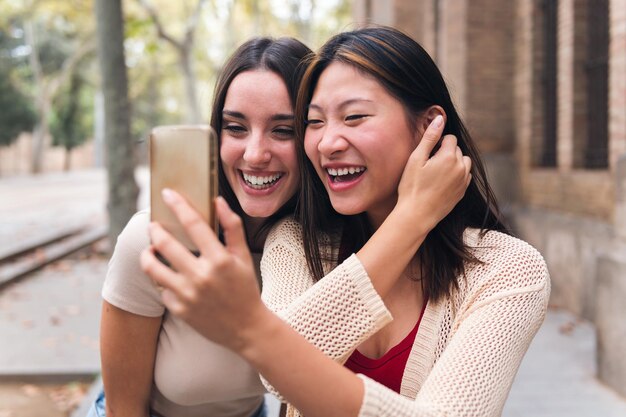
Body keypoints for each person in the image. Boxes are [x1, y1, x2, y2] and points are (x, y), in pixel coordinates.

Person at [143, 26, 551, 417]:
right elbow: (279, 375)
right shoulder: (296, 239)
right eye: (314, 122)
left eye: (354, 117)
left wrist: (412, 218)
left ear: (429, 126)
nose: (327, 142)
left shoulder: (507, 270)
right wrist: (410, 220)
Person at [92, 37, 312, 417]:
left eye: (283, 130)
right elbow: (123, 410)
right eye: (236, 128)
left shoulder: (323, 247)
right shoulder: (153, 240)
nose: (255, 154)